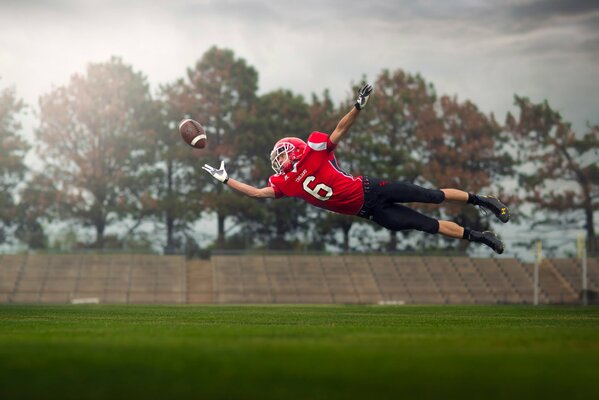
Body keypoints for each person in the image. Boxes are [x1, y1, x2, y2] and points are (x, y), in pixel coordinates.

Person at [202, 84, 509, 254]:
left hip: (371, 189)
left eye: (281, 154)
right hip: (370, 212)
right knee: (426, 225)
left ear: (293, 148)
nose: (278, 161)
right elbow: (256, 193)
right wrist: (227, 180)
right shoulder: (287, 183)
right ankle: (481, 237)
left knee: (431, 195)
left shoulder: (313, 150)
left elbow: (339, 130)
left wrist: (357, 108)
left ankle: (484, 201)